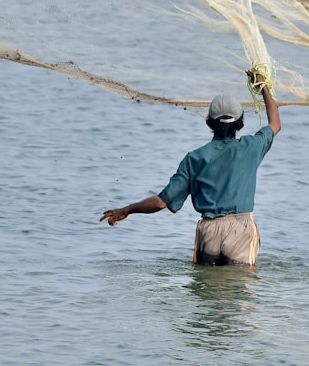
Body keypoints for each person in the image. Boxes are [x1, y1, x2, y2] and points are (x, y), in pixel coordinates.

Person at [100, 69, 281, 267]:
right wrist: (262, 85)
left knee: (206, 292)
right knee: (237, 289)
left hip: (208, 230)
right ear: (241, 125)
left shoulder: (194, 158)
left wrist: (127, 209)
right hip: (241, 228)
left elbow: (162, 202)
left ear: (209, 123)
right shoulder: (251, 147)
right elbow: (275, 122)